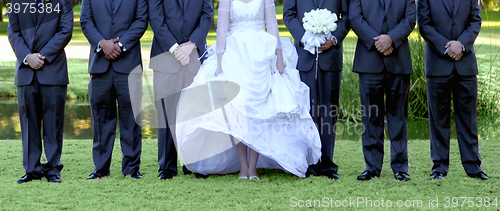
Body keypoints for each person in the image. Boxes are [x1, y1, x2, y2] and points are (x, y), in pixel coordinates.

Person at [174, 0, 322, 179]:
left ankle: (253, 167)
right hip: (235, 55)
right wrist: (220, 62)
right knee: (238, 112)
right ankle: (243, 167)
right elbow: (221, 29)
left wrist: (279, 57)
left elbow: (272, 25)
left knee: (259, 112)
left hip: (260, 53)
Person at [418, 0, 487, 180]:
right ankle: (439, 167)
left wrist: (461, 44)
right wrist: (447, 47)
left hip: (465, 64)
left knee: (468, 119)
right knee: (438, 119)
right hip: (437, 64)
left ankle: (473, 166)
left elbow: (475, 21)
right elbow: (424, 25)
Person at [283, 0, 351, 180]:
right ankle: (308, 162)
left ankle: (327, 163)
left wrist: (334, 38)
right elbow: (289, 15)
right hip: (305, 56)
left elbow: (347, 16)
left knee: (329, 111)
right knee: (306, 110)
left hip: (331, 55)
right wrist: (304, 37)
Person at [80, 0, 148, 180]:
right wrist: (103, 43)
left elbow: (141, 20)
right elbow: (86, 21)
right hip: (100, 66)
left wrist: (120, 45)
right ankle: (101, 169)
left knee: (131, 120)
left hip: (129, 65)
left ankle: (131, 169)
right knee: (101, 120)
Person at [8, 0, 73, 184]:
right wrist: (28, 57)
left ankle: (52, 168)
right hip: (25, 71)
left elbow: (65, 31)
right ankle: (32, 170)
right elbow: (13, 32)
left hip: (53, 70)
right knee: (28, 124)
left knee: (54, 123)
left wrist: (42, 56)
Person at [350, 0, 415, 181]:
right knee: (371, 117)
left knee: (399, 116)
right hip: (369, 59)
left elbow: (410, 18)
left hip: (398, 57)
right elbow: (355, 18)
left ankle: (400, 167)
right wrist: (378, 42)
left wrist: (391, 38)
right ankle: (372, 167)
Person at [148, 0, 213, 180]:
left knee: (194, 114)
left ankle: (193, 164)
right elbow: (155, 16)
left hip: (194, 57)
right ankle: (167, 168)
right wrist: (175, 48)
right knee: (166, 114)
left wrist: (192, 43)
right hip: (165, 56)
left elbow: (207, 14)